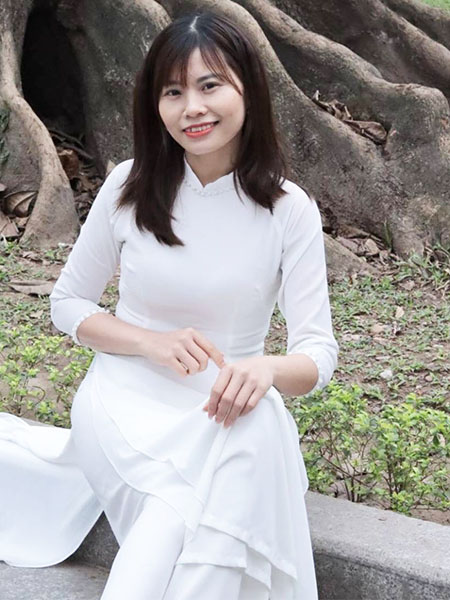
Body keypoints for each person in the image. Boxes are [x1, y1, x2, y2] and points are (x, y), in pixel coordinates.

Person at [0, 11, 339, 600]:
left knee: (248, 432)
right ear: (154, 104)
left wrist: (265, 368)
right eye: (173, 92)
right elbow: (69, 303)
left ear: (248, 90)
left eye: (210, 86)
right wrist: (150, 342)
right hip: (125, 399)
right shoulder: (128, 187)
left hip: (225, 406)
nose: (192, 109)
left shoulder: (289, 210)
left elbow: (317, 353)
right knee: (191, 497)